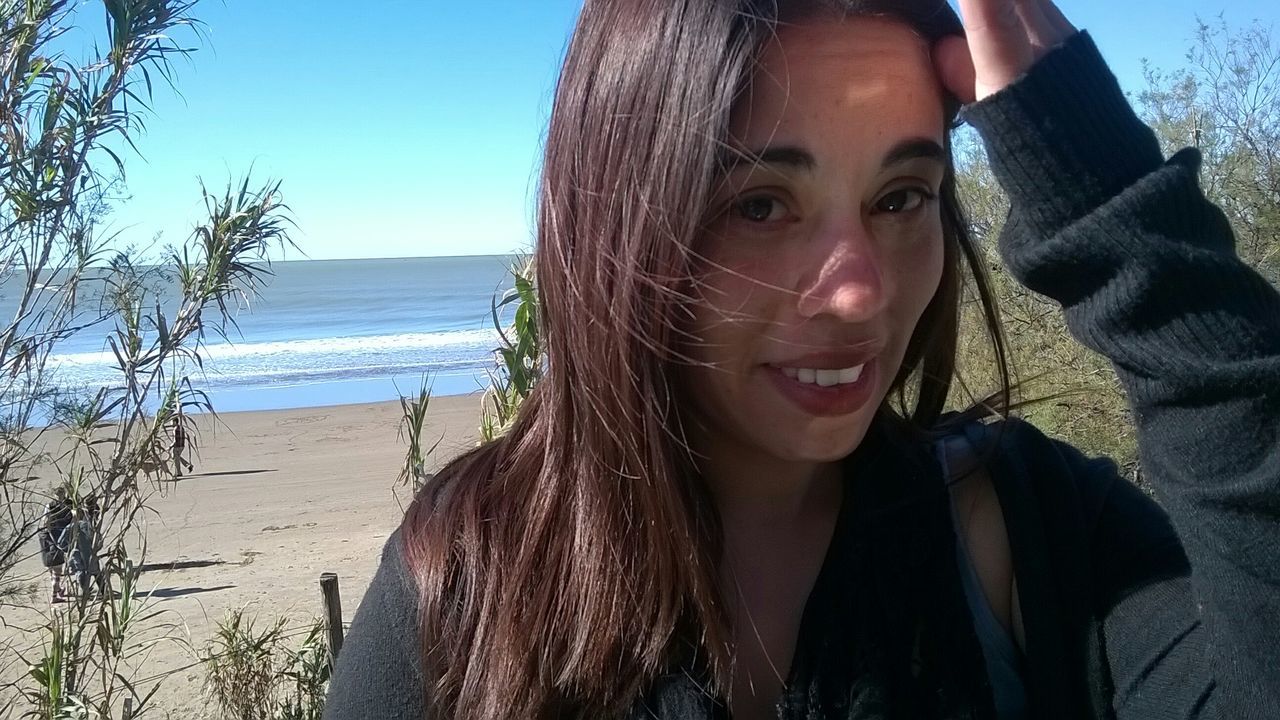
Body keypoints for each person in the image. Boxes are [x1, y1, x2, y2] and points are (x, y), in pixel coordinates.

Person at [325, 1, 1280, 718]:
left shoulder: (1026, 531)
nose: (861, 291)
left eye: (903, 195)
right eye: (760, 205)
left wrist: (1132, 239)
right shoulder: (471, 587)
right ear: (620, 230)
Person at [39, 486, 73, 603]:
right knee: (56, 567)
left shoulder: (69, 504)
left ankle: (58, 589)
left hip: (57, 535)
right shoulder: (52, 506)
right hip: (55, 536)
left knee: (53, 568)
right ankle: (54, 595)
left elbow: (45, 522)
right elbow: (46, 522)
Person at [170, 413, 193, 478]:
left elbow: (175, 439)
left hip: (177, 446)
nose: (171, 423)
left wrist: (170, 446)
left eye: (171, 422)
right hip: (182, 445)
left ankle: (179, 472)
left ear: (174, 422)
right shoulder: (181, 427)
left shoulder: (175, 429)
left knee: (175, 458)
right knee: (175, 456)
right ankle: (188, 465)